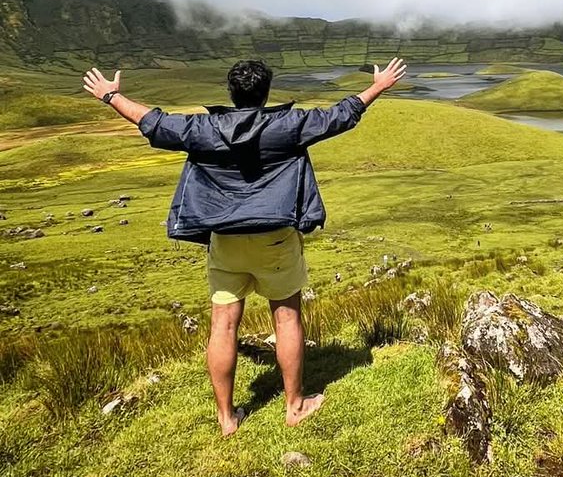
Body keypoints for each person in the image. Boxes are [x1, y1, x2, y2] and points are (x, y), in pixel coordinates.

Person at [82, 56, 407, 435]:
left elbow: (154, 123)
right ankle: (294, 406)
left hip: (224, 241)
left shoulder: (203, 128)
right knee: (286, 318)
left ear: (232, 93)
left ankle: (226, 418)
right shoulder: (287, 125)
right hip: (276, 239)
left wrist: (111, 97)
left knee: (223, 326)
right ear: (266, 92)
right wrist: (378, 86)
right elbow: (339, 116)